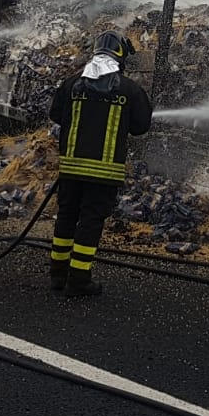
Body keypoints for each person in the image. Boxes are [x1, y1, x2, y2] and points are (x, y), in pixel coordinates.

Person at [46, 30, 153, 298]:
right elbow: (141, 127)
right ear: (120, 55)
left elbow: (55, 115)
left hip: (71, 168)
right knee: (91, 221)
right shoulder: (129, 90)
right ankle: (79, 279)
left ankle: (58, 274)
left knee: (67, 216)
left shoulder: (72, 84)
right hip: (104, 172)